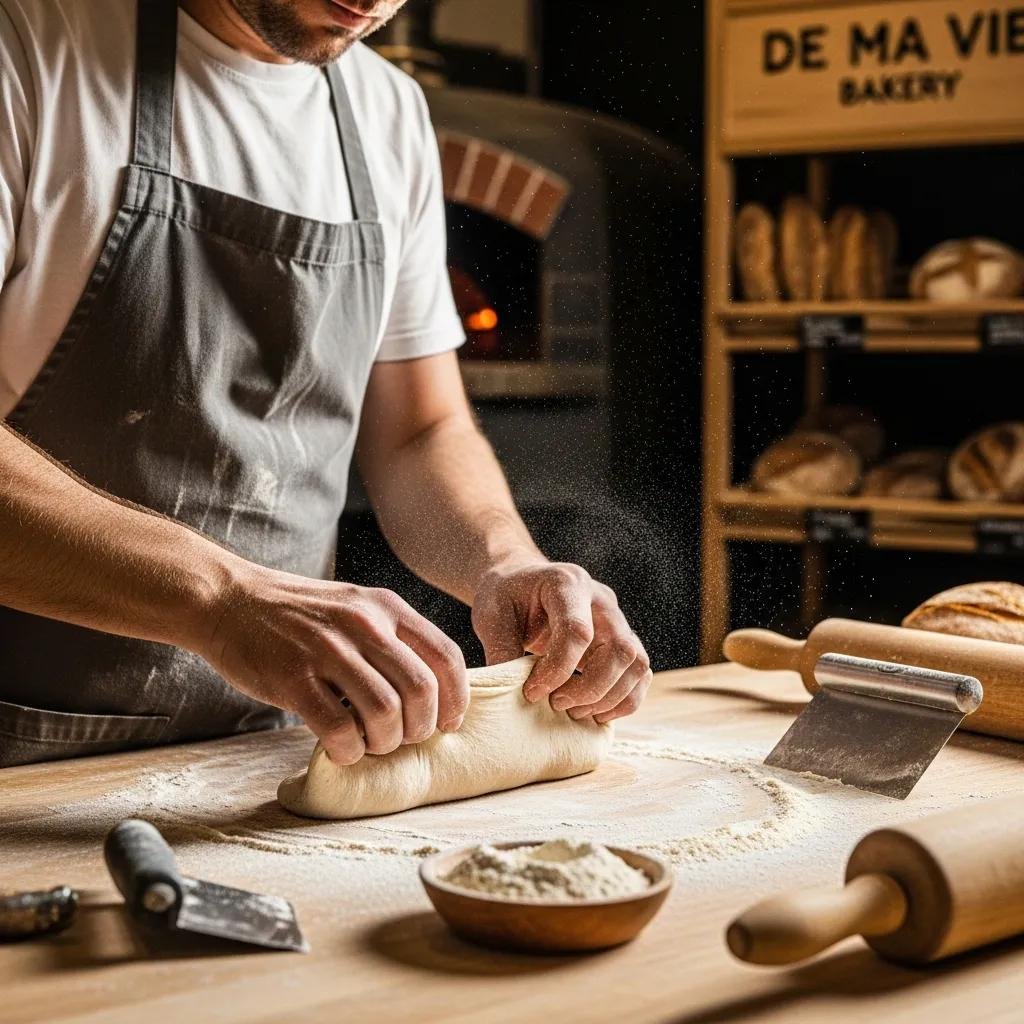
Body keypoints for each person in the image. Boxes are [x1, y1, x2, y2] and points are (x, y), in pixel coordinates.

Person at [0, 0, 651, 769]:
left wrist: (503, 560)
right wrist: (222, 599)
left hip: (269, 747)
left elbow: (420, 431)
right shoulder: (33, 48)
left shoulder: (387, 113)